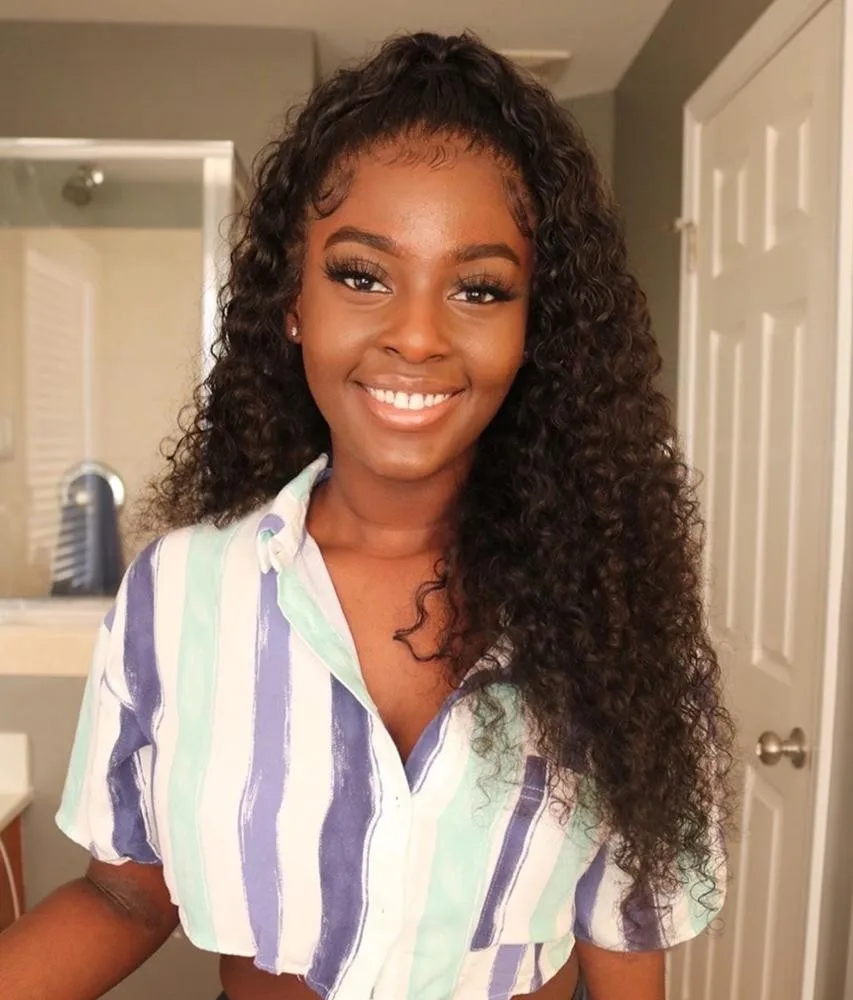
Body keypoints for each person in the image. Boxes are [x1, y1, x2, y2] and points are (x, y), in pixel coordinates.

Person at [0, 31, 732, 1000]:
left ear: (533, 330)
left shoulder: (614, 612)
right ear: (293, 300)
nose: (417, 335)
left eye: (479, 287)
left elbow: (626, 945)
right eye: (361, 274)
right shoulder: (179, 594)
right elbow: (125, 897)